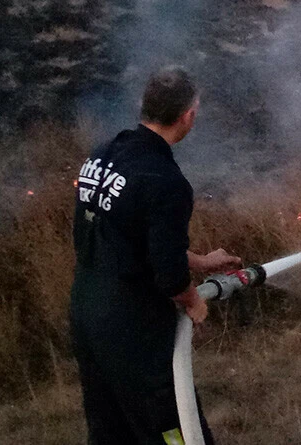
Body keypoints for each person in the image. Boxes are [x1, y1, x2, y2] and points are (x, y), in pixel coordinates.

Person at [70, 66, 242, 445]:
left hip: (86, 312)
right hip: (132, 325)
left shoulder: (103, 155)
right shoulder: (166, 180)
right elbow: (168, 275)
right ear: (188, 116)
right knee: (172, 429)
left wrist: (199, 261)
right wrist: (193, 299)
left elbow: (125, 236)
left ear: (143, 106)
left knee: (110, 430)